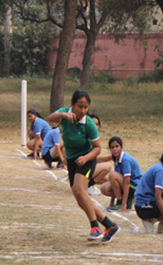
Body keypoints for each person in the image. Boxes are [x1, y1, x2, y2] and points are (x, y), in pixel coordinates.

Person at [48, 90, 119, 243]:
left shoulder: (89, 124)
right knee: (81, 200)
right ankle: (110, 225)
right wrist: (63, 115)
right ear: (72, 104)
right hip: (72, 161)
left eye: (86, 107)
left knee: (80, 191)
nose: (83, 110)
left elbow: (97, 148)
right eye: (80, 106)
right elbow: (50, 118)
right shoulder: (65, 114)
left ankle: (95, 227)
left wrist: (86, 157)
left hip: (87, 159)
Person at [134, 147, 163, 234]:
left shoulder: (160, 167)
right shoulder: (160, 170)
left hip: (143, 204)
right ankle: (150, 221)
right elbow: (158, 197)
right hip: (144, 207)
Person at [99, 136, 143, 212]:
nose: (115, 149)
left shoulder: (125, 159)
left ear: (121, 147)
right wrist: (111, 202)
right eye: (112, 147)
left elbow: (127, 181)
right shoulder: (116, 159)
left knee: (112, 175)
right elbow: (114, 183)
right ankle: (127, 200)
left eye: (117, 146)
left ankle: (121, 202)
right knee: (104, 188)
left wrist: (123, 204)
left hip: (136, 187)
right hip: (128, 185)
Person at [86, 113, 111, 195]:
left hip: (87, 167)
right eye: (93, 123)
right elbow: (91, 157)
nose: (95, 126)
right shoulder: (87, 138)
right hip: (82, 170)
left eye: (97, 124)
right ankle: (88, 185)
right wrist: (110, 157)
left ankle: (88, 183)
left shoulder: (94, 138)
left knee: (107, 179)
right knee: (107, 166)